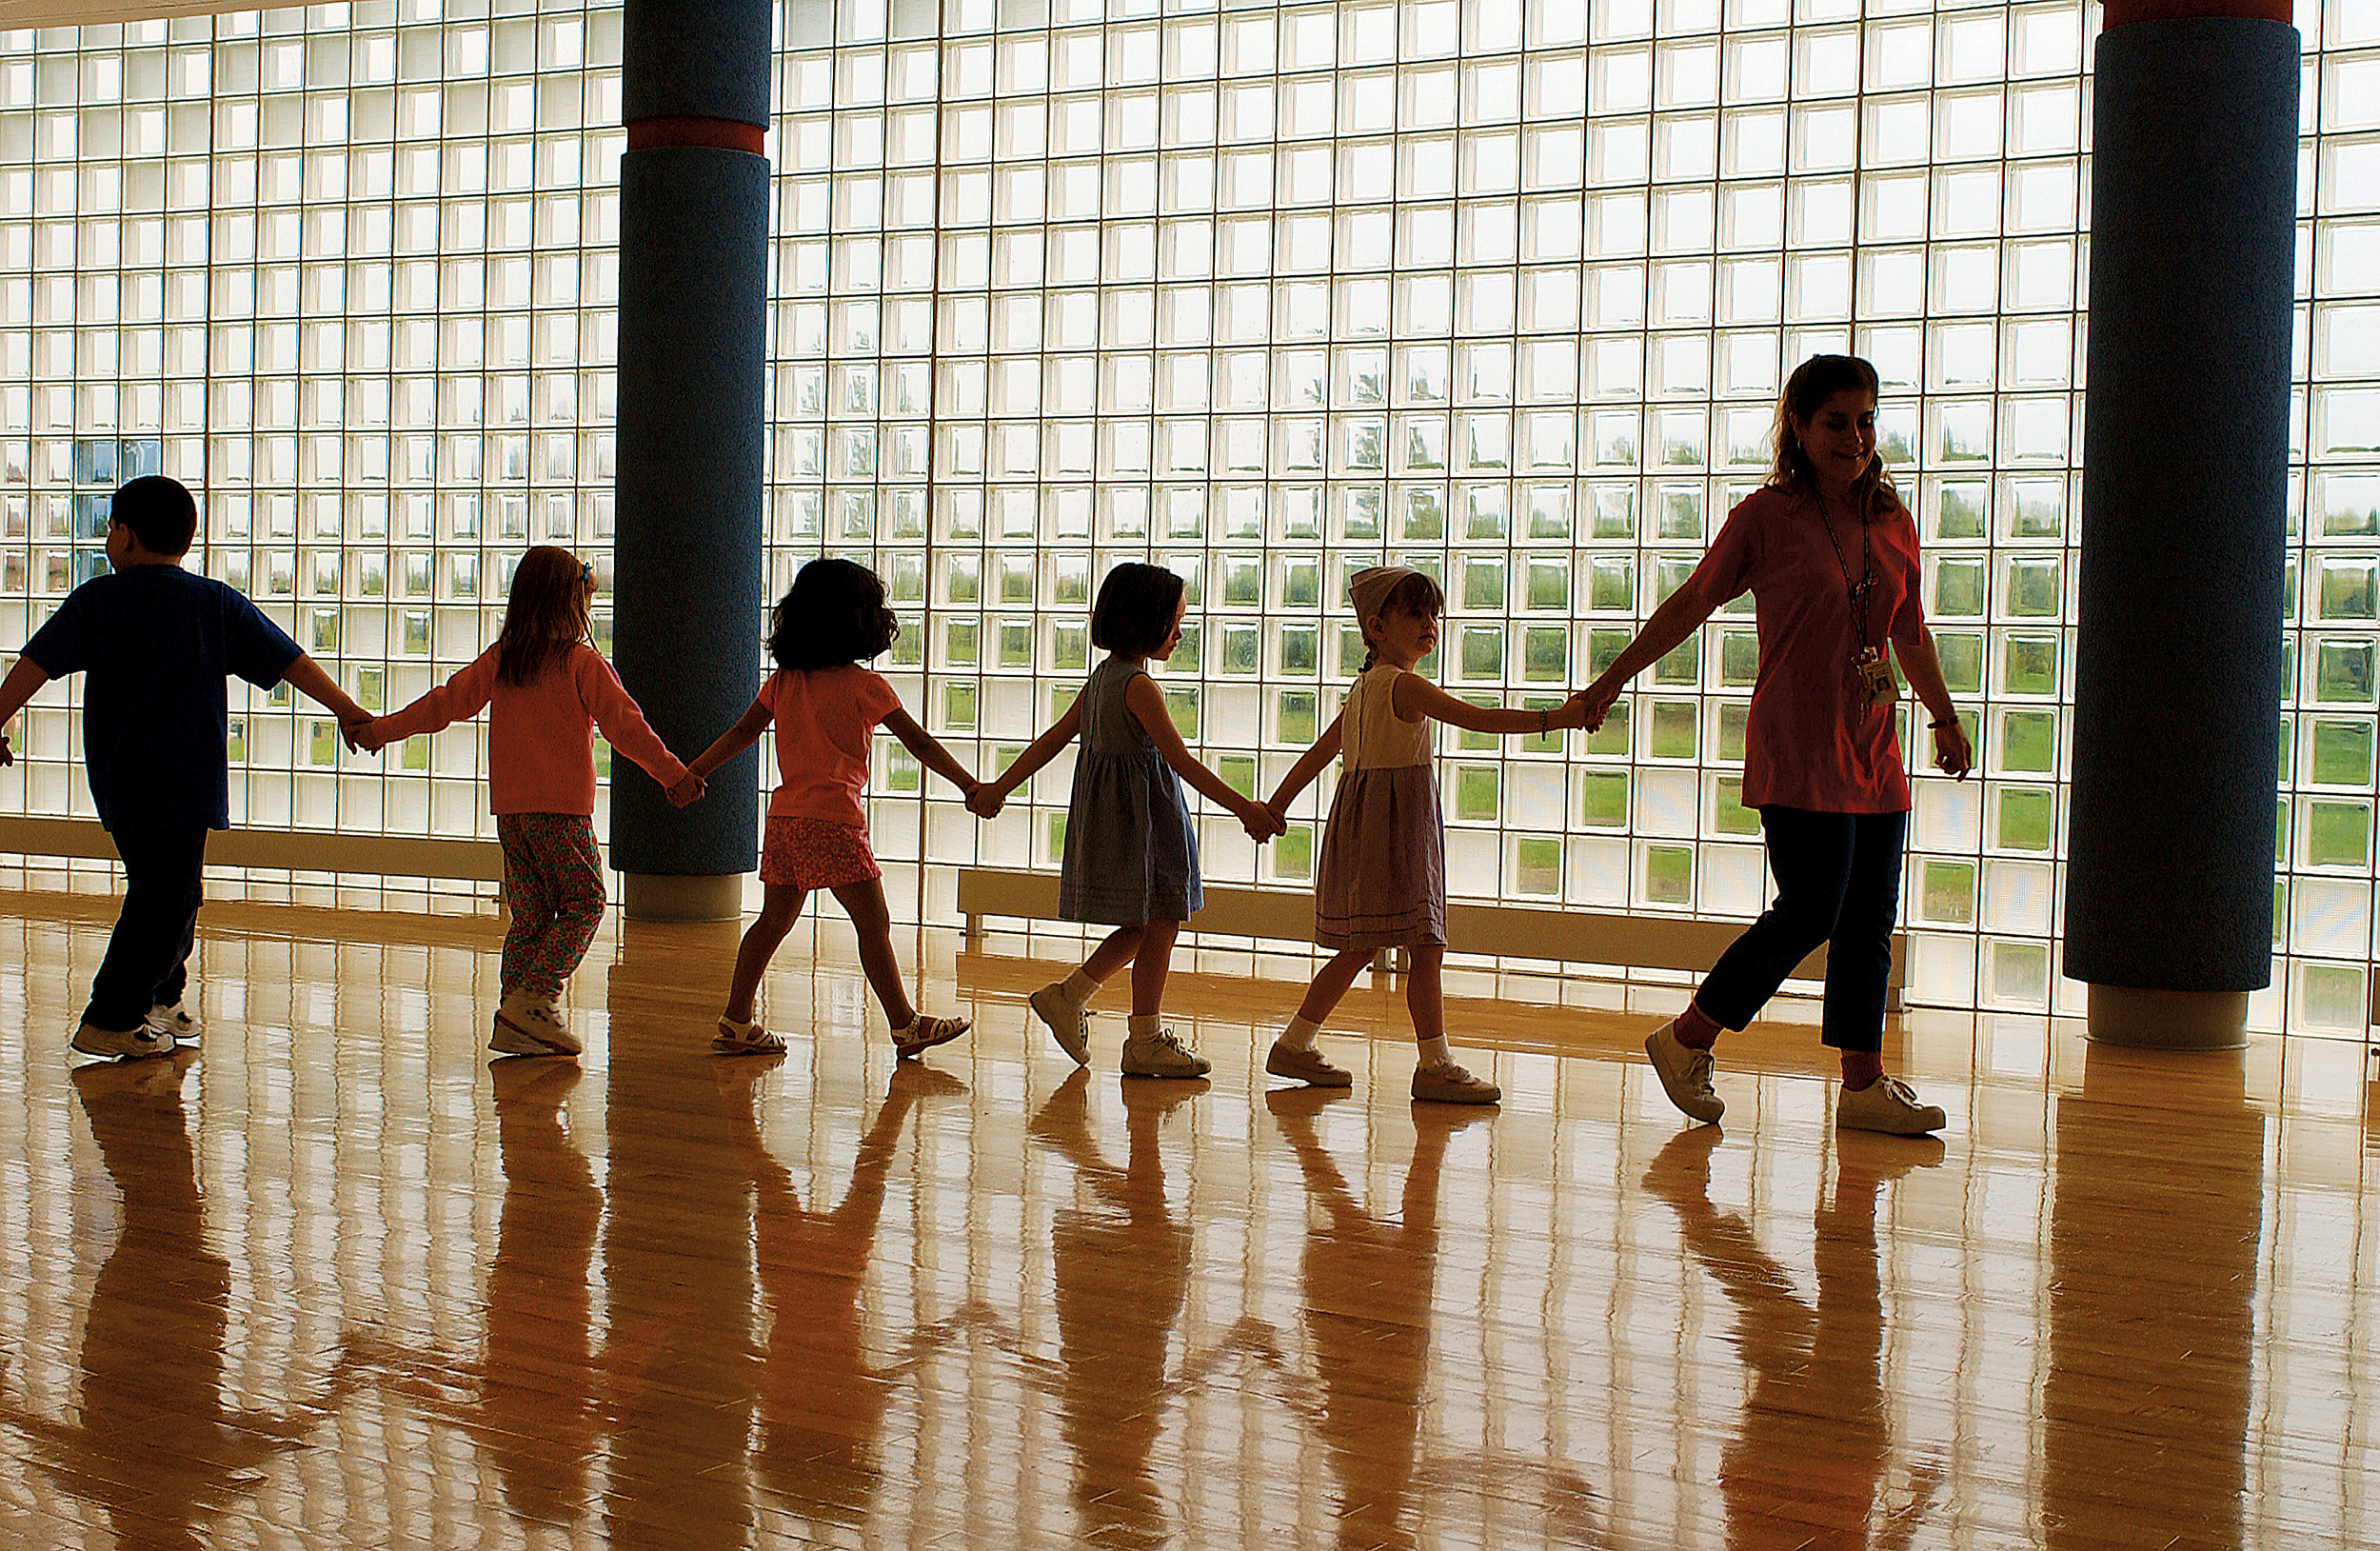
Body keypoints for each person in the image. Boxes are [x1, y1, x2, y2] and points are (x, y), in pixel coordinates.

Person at [1576, 353, 1973, 1135]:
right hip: (1797, 744)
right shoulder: (1766, 517)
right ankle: (1687, 1036)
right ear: (1797, 423)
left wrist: (1945, 715)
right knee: (1813, 908)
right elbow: (1691, 601)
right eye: (1836, 422)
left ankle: (1863, 1083)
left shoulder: (1891, 519)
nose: (1854, 438)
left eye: (1866, 422)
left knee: (1867, 919)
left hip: (1873, 743)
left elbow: (1906, 631)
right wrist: (1611, 678)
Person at [0, 475, 373, 1060]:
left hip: (124, 778)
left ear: (123, 536)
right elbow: (290, 660)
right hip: (189, 778)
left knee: (174, 891)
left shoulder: (98, 600)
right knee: (165, 895)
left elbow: (33, 666)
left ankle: (159, 998)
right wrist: (347, 710)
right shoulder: (212, 602)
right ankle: (112, 1015)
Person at [1260, 566, 1590, 1104]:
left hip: (1359, 826)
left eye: (1432, 613)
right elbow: (1478, 718)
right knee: (1426, 944)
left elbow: (1322, 752)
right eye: (1414, 613)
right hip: (1399, 826)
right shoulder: (1405, 686)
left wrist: (1277, 805)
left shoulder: (1363, 687)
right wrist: (1558, 718)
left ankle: (1296, 1043)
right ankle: (1434, 1065)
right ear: (1377, 626)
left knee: (1360, 944)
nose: (1428, 623)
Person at [355, 545, 695, 1059]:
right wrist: (673, 775)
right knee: (585, 903)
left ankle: (515, 1015)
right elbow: (625, 726)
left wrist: (383, 729)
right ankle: (534, 999)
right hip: (561, 810)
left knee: (532, 915)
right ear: (569, 603)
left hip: (512, 813)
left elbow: (443, 704)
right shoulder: (581, 662)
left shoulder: (502, 660)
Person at [970, 562, 1280, 1079]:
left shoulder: (1101, 681)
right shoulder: (1138, 686)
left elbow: (1052, 740)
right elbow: (1180, 762)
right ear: (1146, 621)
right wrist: (1245, 809)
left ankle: (1072, 997)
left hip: (1118, 824)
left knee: (1146, 924)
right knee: (1160, 923)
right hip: (1150, 828)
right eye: (1174, 621)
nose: (1181, 633)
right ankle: (1143, 1037)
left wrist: (999, 788)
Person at [676, 557, 980, 1061]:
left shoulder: (784, 682)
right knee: (874, 923)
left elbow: (740, 734)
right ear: (859, 619)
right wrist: (970, 785)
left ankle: (736, 1020)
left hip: (786, 820)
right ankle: (905, 1026)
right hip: (835, 821)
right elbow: (920, 745)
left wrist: (693, 773)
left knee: (771, 922)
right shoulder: (865, 686)